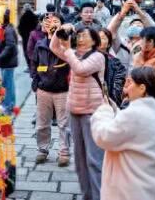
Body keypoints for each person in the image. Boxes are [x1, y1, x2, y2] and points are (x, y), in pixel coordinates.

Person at [90, 66, 155, 200]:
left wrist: (104, 110)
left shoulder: (135, 114)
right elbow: (130, 132)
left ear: (142, 88)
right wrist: (115, 110)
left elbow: (103, 136)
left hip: (131, 191)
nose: (126, 89)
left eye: (130, 83)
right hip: (154, 189)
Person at [51, 25, 105, 200]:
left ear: (94, 40)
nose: (79, 38)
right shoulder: (74, 54)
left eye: (84, 36)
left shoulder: (98, 57)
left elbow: (80, 69)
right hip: (75, 110)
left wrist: (68, 50)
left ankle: (98, 196)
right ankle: (86, 195)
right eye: (78, 35)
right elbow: (54, 47)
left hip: (92, 112)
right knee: (80, 160)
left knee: (94, 159)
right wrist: (60, 30)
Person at [31, 13, 70, 166]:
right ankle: (42, 149)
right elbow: (34, 64)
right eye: (48, 21)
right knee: (42, 122)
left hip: (62, 90)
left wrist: (63, 33)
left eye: (56, 21)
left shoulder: (66, 43)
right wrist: (36, 82)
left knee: (64, 124)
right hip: (43, 89)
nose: (51, 23)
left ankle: (63, 152)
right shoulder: (40, 44)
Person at [0, 9, 18, 114]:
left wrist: (0, 57)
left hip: (8, 62)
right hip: (6, 62)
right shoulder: (4, 28)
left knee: (7, 84)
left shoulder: (8, 30)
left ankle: (8, 106)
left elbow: (10, 45)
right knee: (8, 83)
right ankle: (9, 105)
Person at [18, 3, 39, 72]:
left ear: (24, 9)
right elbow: (37, 27)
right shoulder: (35, 17)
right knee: (34, 51)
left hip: (26, 38)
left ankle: (29, 67)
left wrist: (23, 35)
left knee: (26, 52)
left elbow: (20, 28)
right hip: (34, 38)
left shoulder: (23, 17)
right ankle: (34, 66)